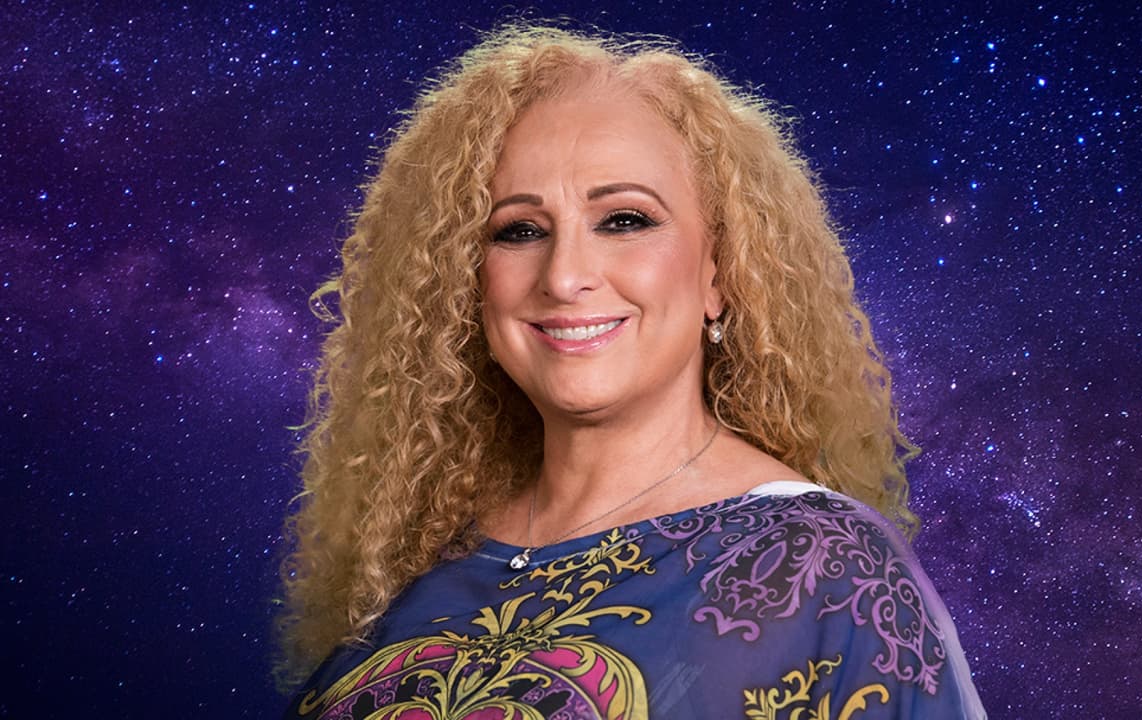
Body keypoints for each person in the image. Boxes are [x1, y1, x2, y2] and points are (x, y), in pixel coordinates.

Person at [276, 23, 986, 719]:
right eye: (519, 231)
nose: (565, 277)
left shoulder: (829, 572)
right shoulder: (419, 569)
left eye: (624, 220)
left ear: (719, 273)